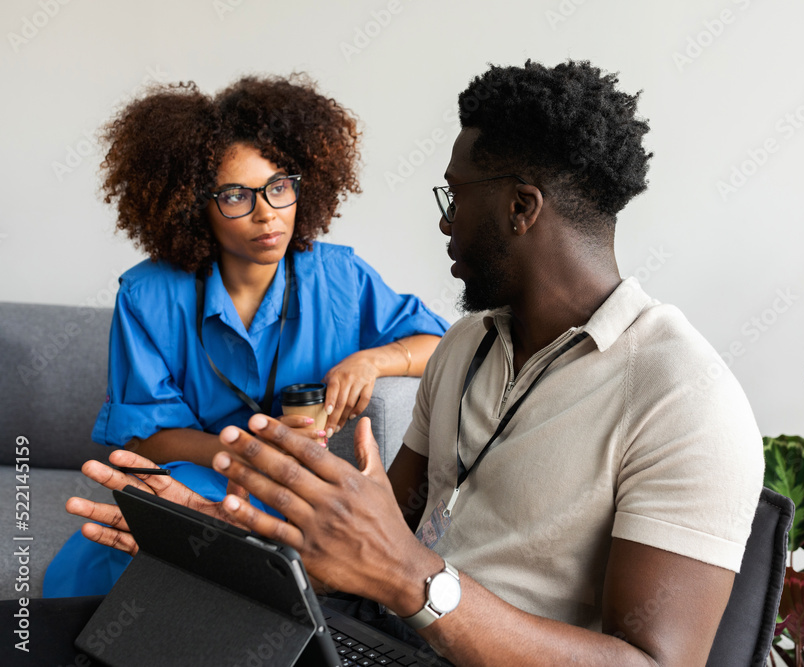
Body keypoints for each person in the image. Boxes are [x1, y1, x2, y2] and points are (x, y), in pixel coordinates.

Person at [67, 60, 764, 665]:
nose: (443, 222)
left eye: (455, 197)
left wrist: (416, 583)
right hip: (368, 635)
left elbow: (653, 662)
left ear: (521, 208)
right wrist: (224, 542)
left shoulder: (686, 397)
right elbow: (369, 548)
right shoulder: (465, 346)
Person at [44, 74, 449, 598]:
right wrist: (255, 455)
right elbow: (148, 434)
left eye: (280, 187)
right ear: (195, 206)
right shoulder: (145, 296)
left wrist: (374, 360)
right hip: (199, 475)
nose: (267, 214)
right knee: (106, 563)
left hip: (304, 491)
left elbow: (441, 346)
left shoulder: (340, 276)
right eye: (236, 195)